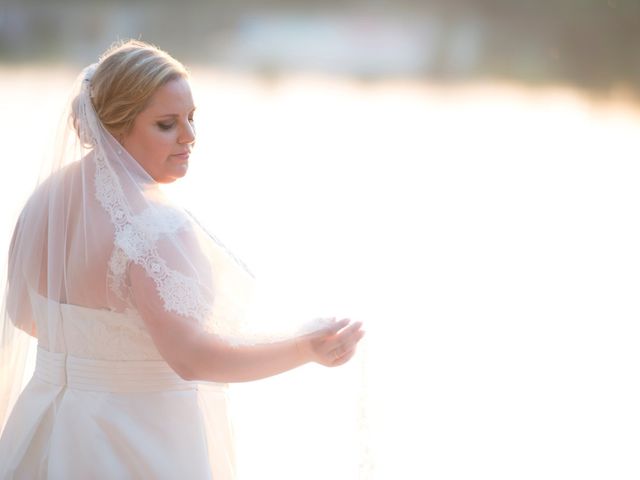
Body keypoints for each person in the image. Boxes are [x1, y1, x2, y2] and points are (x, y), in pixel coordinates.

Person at [0, 39, 365, 479]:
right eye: (167, 124)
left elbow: (23, 314)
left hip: (49, 428)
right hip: (136, 440)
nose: (190, 137)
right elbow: (192, 357)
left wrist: (91, 358)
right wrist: (304, 349)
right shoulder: (155, 226)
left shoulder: (45, 200)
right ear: (116, 127)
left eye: (191, 119)